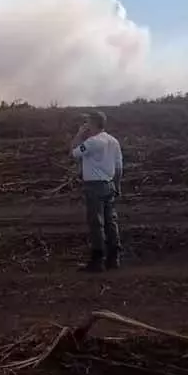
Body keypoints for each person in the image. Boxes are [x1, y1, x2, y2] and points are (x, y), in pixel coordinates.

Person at [70, 111, 123, 272]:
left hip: (94, 186)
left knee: (96, 223)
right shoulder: (113, 141)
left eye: (87, 123)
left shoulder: (93, 142)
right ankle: (114, 258)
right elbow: (119, 167)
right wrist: (117, 185)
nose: (86, 126)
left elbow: (73, 152)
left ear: (93, 124)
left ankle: (97, 260)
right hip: (109, 184)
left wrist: (79, 134)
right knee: (110, 222)